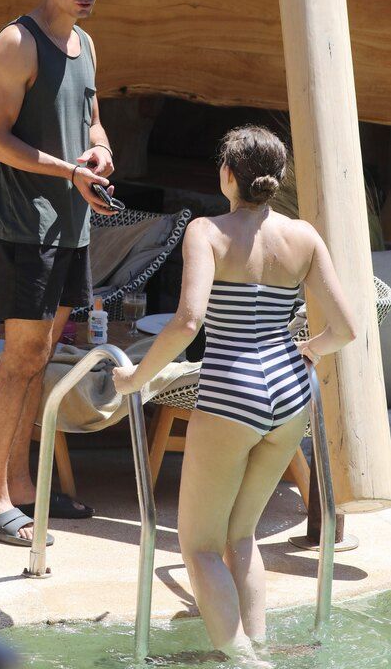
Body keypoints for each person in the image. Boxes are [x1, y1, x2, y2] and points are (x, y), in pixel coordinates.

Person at [113, 125, 356, 662]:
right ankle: (257, 646)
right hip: (291, 392)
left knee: (199, 545)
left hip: (231, 391)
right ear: (278, 178)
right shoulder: (304, 237)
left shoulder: (207, 231)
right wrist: (308, 349)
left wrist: (137, 378)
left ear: (227, 175)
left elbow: (188, 321)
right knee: (241, 535)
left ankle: (244, 660)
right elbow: (344, 330)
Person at [0, 0, 117, 545]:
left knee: (40, 357)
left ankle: (23, 489)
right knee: (20, 359)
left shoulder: (85, 43)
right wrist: (68, 171)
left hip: (72, 225)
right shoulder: (15, 42)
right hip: (24, 226)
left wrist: (100, 153)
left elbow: (93, 122)